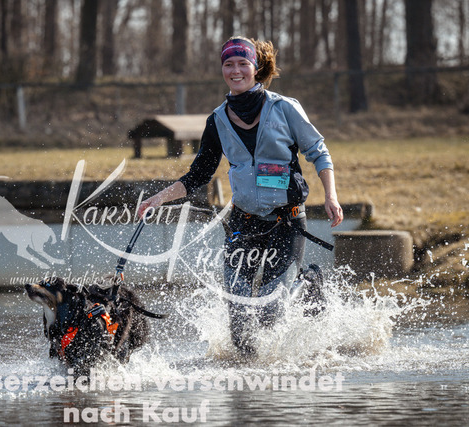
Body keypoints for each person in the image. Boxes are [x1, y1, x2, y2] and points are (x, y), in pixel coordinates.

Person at [137, 37, 343, 354]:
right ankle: (247, 379)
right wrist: (158, 199)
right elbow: (198, 175)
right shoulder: (217, 120)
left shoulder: (284, 108)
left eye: (242, 63)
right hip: (243, 224)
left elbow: (319, 152)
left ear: (255, 68)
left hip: (286, 222)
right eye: (228, 64)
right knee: (240, 324)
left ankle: (308, 282)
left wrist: (331, 196)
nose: (236, 71)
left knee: (269, 313)